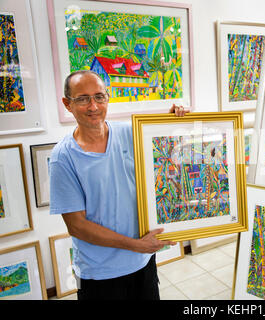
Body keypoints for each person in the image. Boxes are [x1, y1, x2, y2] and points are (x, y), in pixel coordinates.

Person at [49, 70, 188, 300]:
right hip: (100, 276)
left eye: (99, 97)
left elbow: (164, 146)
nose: (93, 106)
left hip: (143, 264)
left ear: (108, 97)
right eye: (83, 99)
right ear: (67, 104)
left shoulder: (129, 133)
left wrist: (173, 118)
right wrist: (136, 245)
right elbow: (77, 226)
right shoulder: (63, 158)